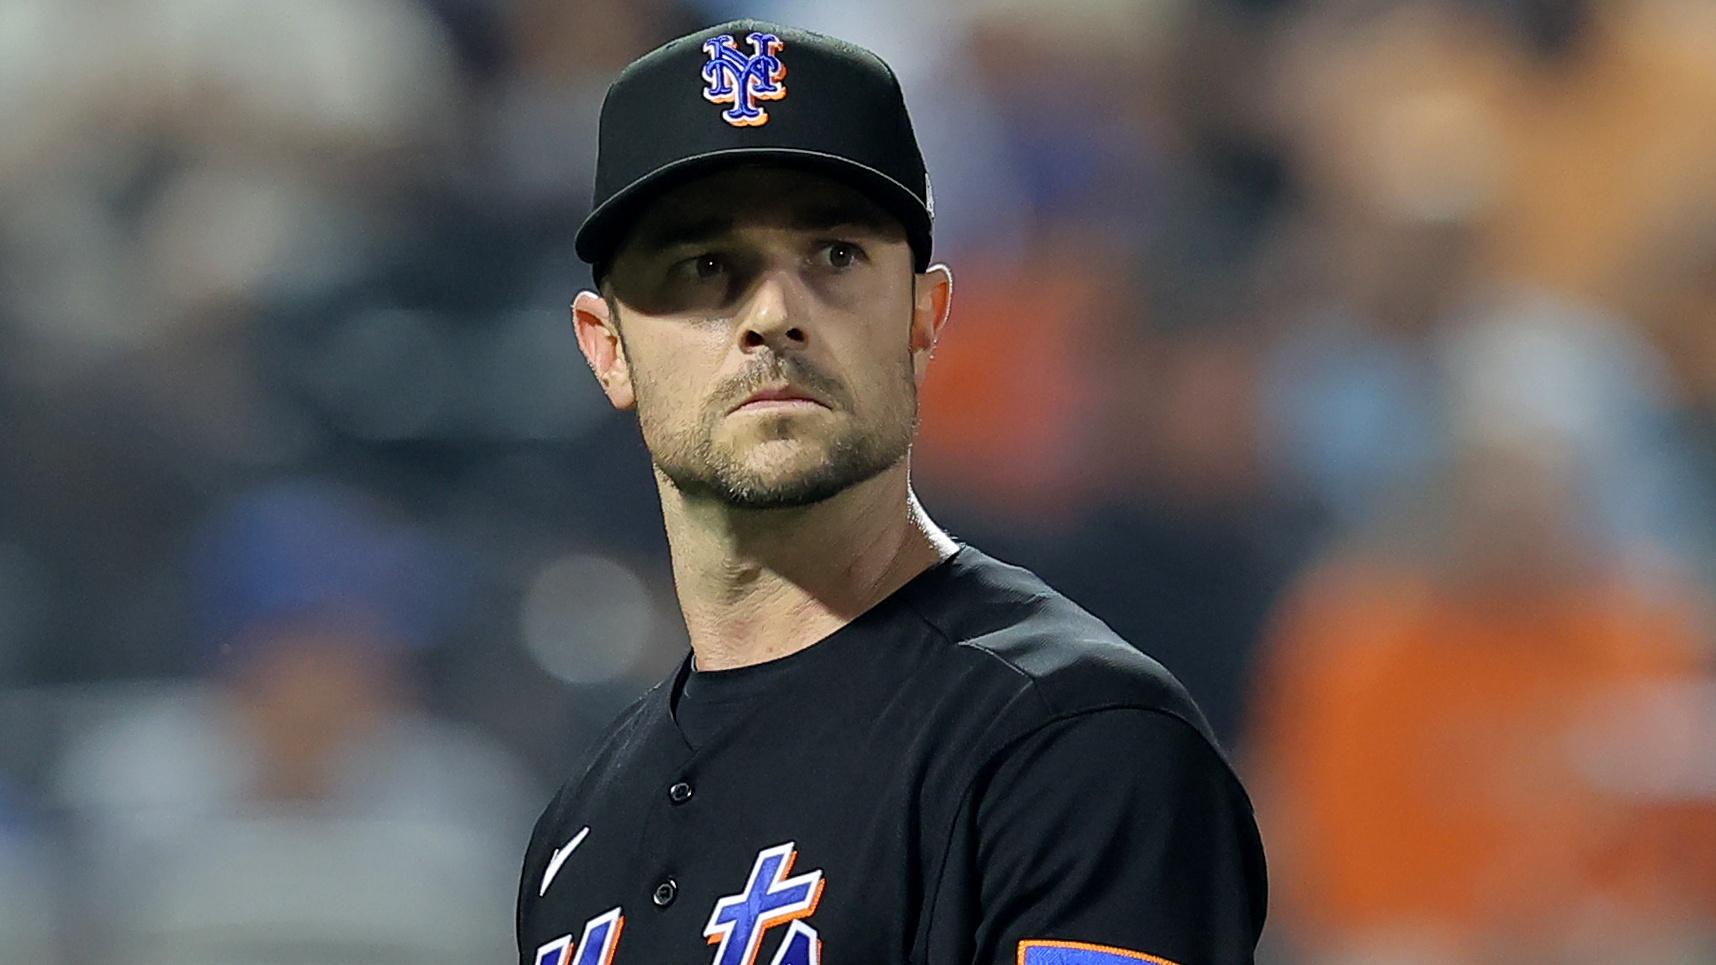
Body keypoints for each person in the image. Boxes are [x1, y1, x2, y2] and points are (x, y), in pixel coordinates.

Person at [516, 20, 1266, 965]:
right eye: (704, 266)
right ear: (607, 346)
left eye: (834, 257)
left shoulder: (1072, 743)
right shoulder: (575, 840)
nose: (774, 314)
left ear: (923, 317)